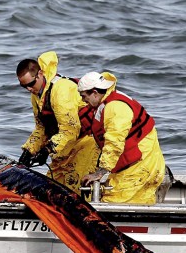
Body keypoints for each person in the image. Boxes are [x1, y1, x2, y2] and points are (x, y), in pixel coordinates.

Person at [78, 71, 166, 204]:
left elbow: (114, 144)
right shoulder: (108, 102)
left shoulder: (114, 107)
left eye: (84, 96)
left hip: (139, 168)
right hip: (145, 164)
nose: (83, 100)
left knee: (113, 201)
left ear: (95, 92)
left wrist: (99, 173)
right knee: (141, 203)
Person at [15, 52, 99, 192]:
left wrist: (46, 151)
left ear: (40, 74)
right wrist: (29, 151)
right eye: (24, 86)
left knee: (74, 189)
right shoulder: (36, 95)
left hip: (85, 144)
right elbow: (41, 128)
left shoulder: (61, 90)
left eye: (31, 84)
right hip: (64, 149)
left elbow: (70, 130)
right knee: (51, 187)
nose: (29, 89)